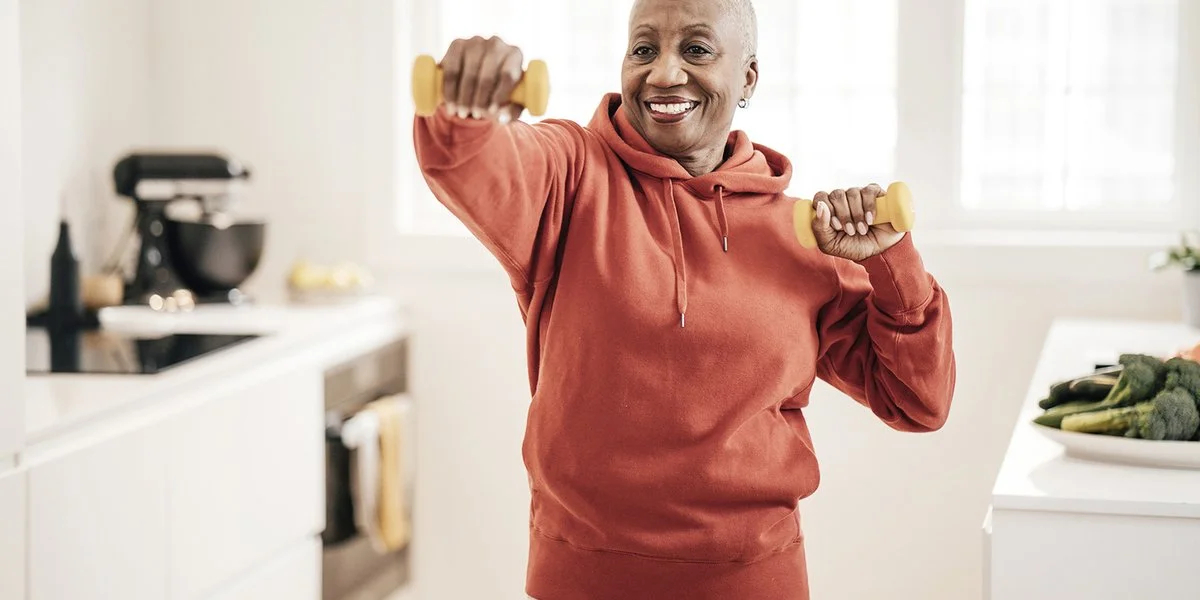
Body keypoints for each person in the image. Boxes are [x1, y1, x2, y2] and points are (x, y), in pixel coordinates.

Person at [413, 0, 956, 597]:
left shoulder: (803, 234)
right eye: (643, 49)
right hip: (582, 577)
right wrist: (465, 111)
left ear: (747, 77)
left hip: (750, 580)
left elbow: (918, 402)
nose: (664, 74)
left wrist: (891, 260)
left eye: (696, 50)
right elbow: (471, 162)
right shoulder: (571, 175)